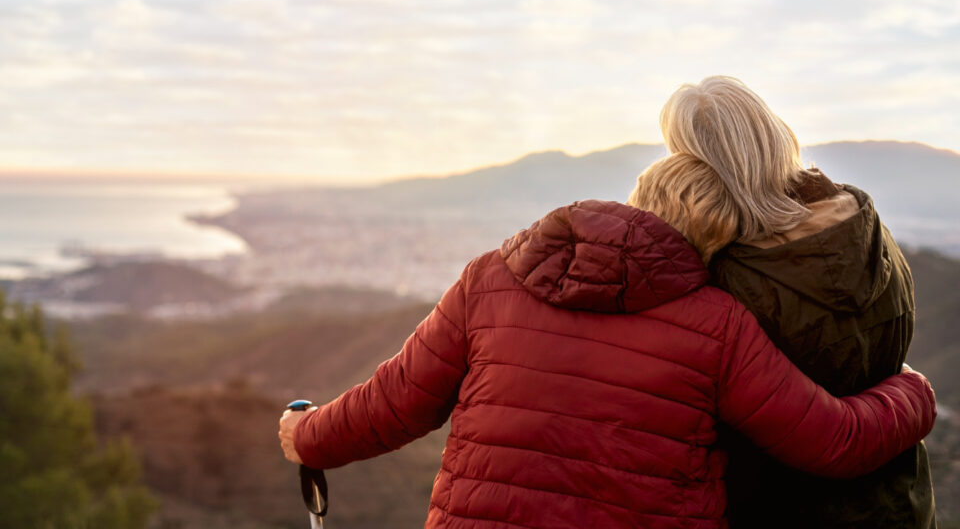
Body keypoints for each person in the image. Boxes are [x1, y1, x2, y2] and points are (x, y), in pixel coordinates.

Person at [278, 153, 937, 529]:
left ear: (639, 198)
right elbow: (834, 441)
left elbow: (392, 404)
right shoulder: (719, 324)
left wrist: (306, 436)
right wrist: (913, 391)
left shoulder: (491, 280)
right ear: (720, 239)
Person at [660, 75, 936, 529]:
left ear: (694, 164)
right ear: (774, 136)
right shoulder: (870, 234)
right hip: (898, 503)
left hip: (778, 510)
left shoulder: (726, 278)